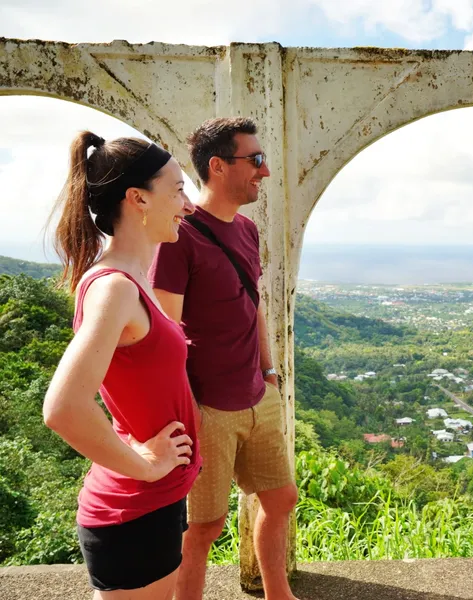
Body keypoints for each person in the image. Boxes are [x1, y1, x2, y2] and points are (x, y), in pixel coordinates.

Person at [43, 132, 200, 599]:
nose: (187, 205)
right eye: (176, 190)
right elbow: (63, 408)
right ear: (137, 199)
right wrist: (145, 467)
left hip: (154, 501)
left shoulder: (134, 279)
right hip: (134, 507)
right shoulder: (116, 288)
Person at [149, 117, 299, 600]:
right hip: (208, 407)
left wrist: (270, 372)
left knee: (280, 500)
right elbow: (165, 333)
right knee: (203, 528)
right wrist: (185, 406)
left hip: (258, 395)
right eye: (255, 159)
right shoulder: (180, 236)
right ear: (217, 166)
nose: (266, 171)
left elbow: (253, 305)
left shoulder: (248, 232)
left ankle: (279, 594)